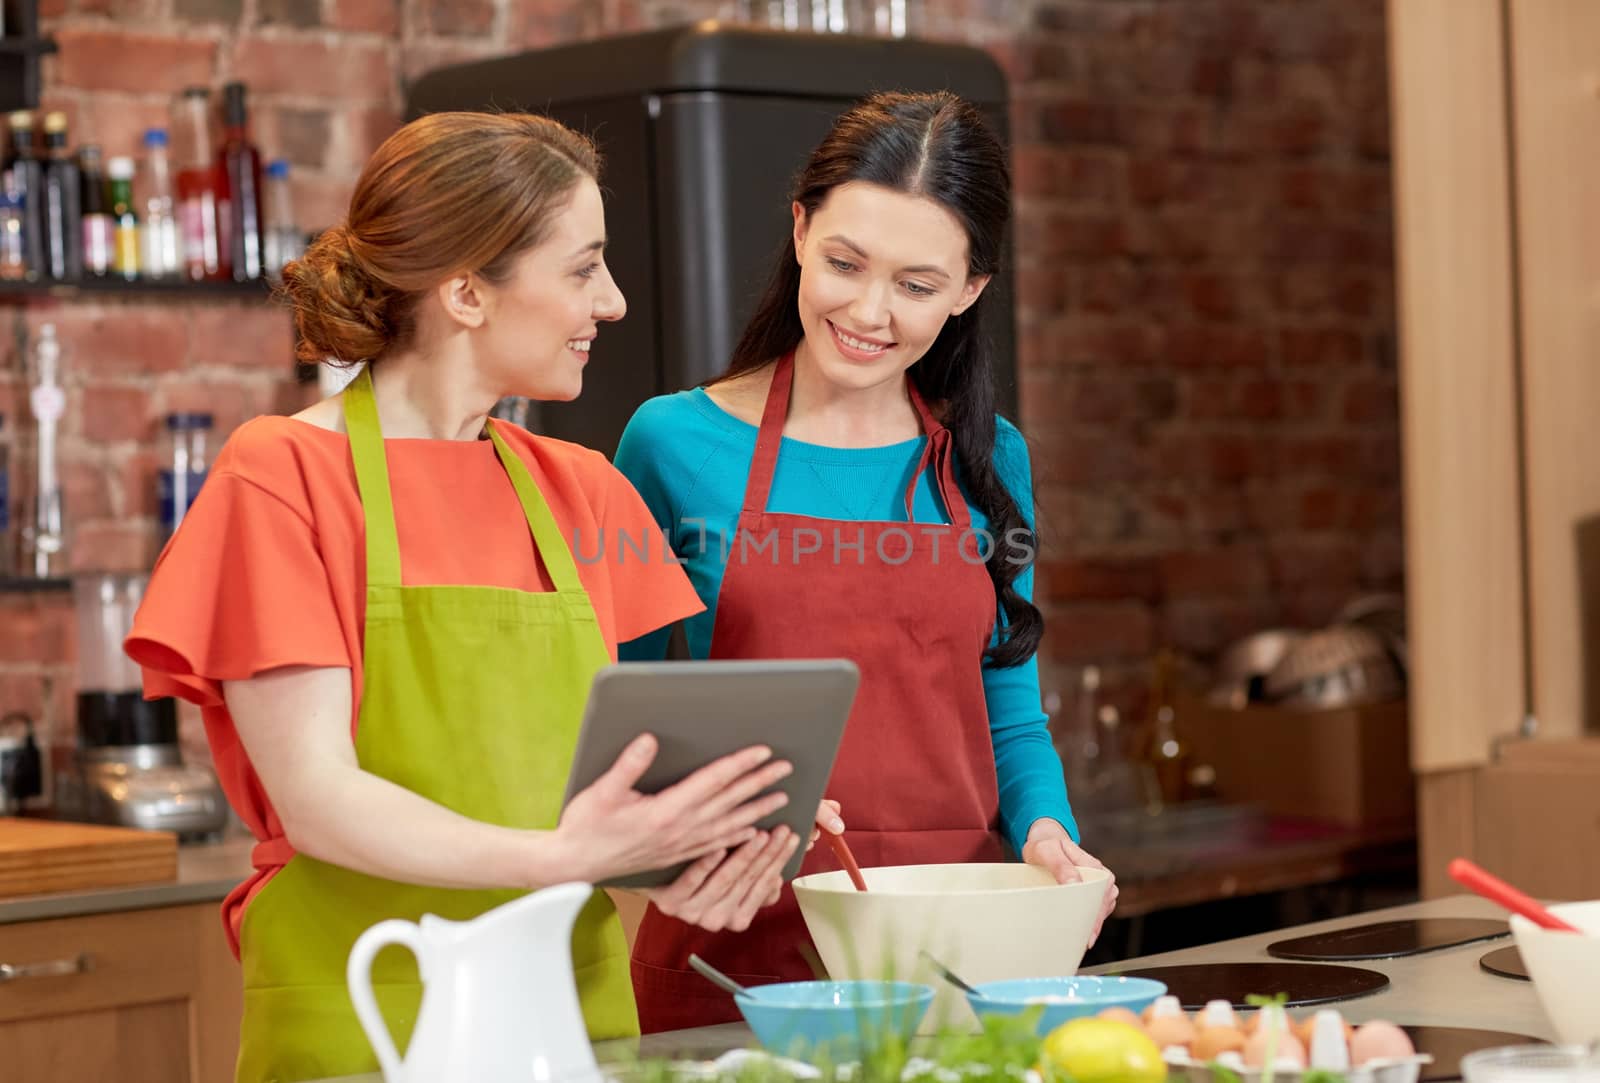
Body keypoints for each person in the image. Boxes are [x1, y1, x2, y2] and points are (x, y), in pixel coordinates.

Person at [124, 112, 806, 1083]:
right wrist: (562, 857)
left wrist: (720, 825)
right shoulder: (280, 476)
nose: (610, 303)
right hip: (368, 1002)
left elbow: (605, 786)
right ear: (465, 292)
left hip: (567, 1004)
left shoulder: (583, 487)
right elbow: (318, 800)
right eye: (581, 269)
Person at [614, 91, 1120, 1032]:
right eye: (845, 263)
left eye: (918, 285)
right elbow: (622, 732)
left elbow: (1007, 708)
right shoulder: (671, 443)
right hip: (738, 956)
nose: (869, 311)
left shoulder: (987, 458)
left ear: (972, 289)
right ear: (801, 231)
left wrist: (1051, 836)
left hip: (957, 950)